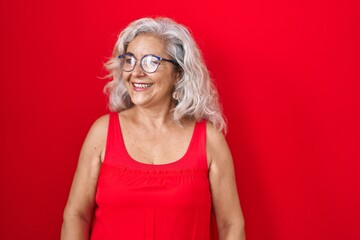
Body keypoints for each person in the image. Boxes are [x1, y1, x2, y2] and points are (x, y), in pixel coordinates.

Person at [61, 17, 245, 240]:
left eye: (150, 62)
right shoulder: (102, 132)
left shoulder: (209, 140)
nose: (136, 72)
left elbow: (231, 224)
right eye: (129, 60)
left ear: (178, 73)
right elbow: (76, 215)